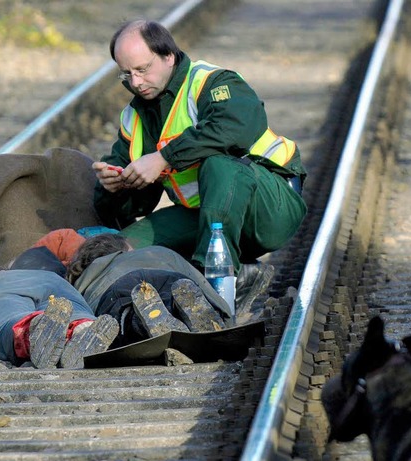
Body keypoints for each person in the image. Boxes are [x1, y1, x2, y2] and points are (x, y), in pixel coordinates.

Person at [92, 20, 308, 302]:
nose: (135, 82)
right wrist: (114, 186)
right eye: (127, 74)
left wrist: (163, 158)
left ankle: (214, 286)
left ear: (168, 56)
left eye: (142, 70)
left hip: (270, 208)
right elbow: (135, 203)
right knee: (120, 251)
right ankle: (236, 277)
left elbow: (238, 127)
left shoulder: (212, 82)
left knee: (219, 164)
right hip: (203, 215)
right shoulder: (134, 118)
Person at [67, 234, 232, 347]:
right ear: (124, 249)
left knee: (129, 319)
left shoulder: (87, 278)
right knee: (174, 296)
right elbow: (208, 291)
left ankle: (144, 322)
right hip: (171, 277)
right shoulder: (157, 252)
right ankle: (173, 309)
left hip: (120, 289)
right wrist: (224, 317)